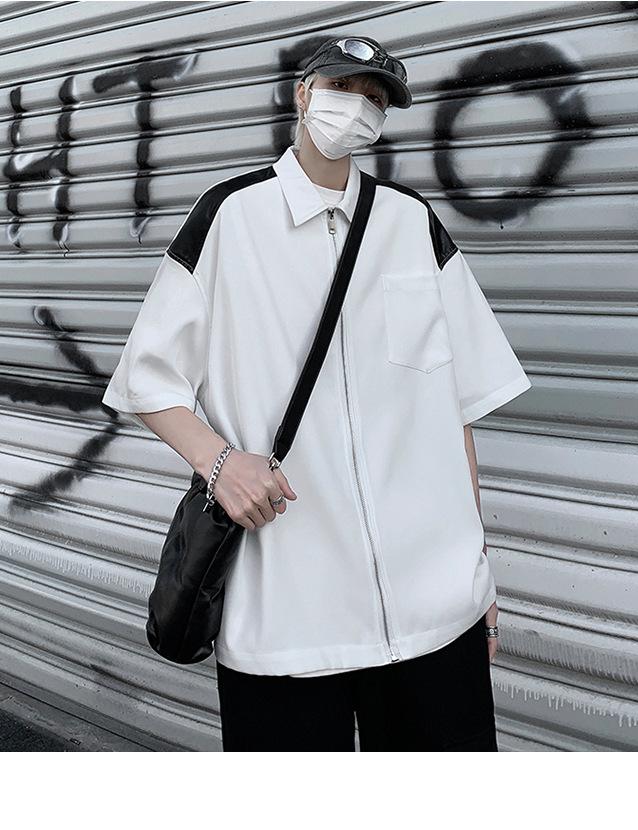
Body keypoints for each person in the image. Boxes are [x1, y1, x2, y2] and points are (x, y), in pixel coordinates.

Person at [101, 35, 532, 751]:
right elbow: (148, 377)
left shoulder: (411, 223)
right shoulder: (229, 216)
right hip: (286, 617)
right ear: (303, 94)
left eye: (375, 99)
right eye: (342, 89)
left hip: (433, 610)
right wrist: (220, 463)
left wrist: (476, 572)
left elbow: (455, 410)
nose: (357, 109)